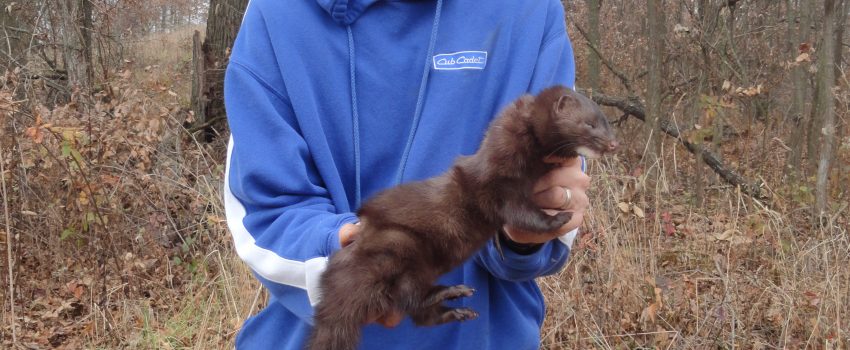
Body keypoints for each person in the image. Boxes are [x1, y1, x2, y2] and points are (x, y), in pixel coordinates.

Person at [222, 0, 590, 348]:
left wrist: (526, 230)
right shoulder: (277, 14)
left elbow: (559, 196)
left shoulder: (530, 11)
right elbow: (264, 211)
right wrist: (361, 263)